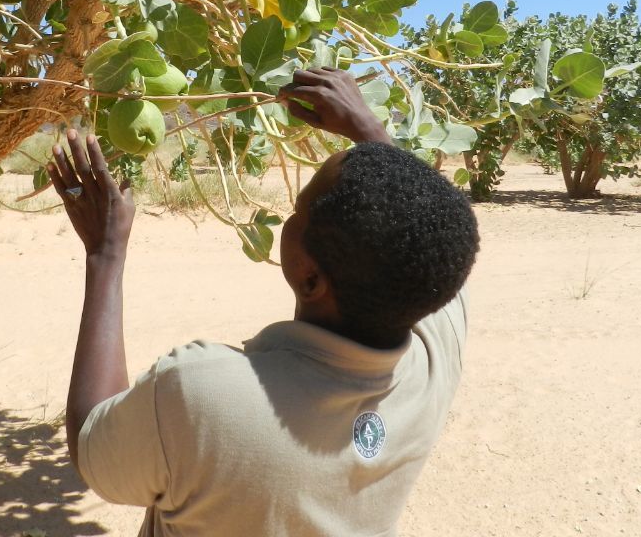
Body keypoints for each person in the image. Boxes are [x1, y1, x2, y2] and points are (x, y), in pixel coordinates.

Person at [46, 67, 480, 536]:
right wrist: (367, 130)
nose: (291, 212)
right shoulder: (433, 358)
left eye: (299, 209)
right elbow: (428, 229)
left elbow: (92, 440)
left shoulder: (202, 393)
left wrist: (104, 255)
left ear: (310, 276)